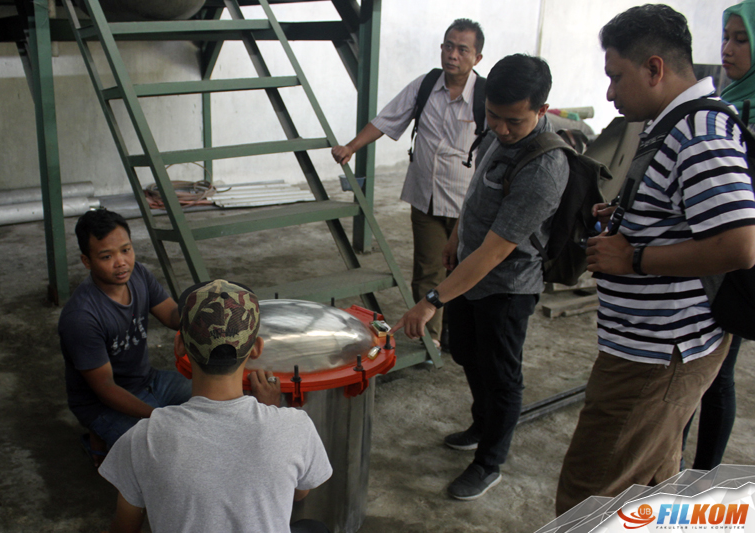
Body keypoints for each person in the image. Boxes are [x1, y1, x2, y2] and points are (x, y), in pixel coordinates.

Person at [556, 4, 755, 514]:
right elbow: (686, 213)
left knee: (588, 498)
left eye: (616, 76)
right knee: (645, 485)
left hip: (658, 354)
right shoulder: (673, 124)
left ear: (654, 69)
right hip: (653, 347)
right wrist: (628, 217)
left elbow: (738, 245)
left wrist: (635, 257)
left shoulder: (700, 133)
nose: (609, 93)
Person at [390, 54, 570, 500]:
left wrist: (432, 299)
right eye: (493, 115)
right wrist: (454, 237)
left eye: (514, 120)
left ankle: (490, 461)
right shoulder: (494, 129)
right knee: (467, 351)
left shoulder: (545, 166)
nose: (501, 128)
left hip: (506, 287)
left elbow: (494, 253)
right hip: (468, 270)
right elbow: (474, 192)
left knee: (502, 373)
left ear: (541, 111)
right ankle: (482, 421)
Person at [98, 279, 333, 533]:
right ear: (256, 349)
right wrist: (271, 413)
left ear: (179, 347)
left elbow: (124, 528)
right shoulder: (294, 427)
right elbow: (299, 493)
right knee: (314, 528)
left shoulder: (143, 438)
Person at [331, 19, 485, 347]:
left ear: (477, 58)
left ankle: (460, 335)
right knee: (428, 271)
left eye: (462, 49)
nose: (452, 55)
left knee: (466, 273)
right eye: (448, 46)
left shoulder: (485, 96)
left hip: (468, 206)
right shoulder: (426, 85)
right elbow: (388, 119)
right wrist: (351, 147)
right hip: (426, 199)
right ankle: (432, 339)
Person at [681, 0, 755, 471]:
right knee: (688, 368)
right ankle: (665, 463)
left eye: (741, 39)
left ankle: (704, 476)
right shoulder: (727, 97)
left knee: (718, 371)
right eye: (726, 37)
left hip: (737, 257)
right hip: (701, 247)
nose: (727, 49)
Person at [58, 209, 191, 454]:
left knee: (215, 400)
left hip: (149, 381)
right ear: (87, 261)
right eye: (106, 256)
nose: (121, 262)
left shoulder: (138, 274)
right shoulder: (81, 317)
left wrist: (205, 311)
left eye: (126, 250)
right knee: (166, 448)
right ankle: (99, 435)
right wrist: (158, 417)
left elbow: (173, 317)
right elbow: (106, 388)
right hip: (102, 404)